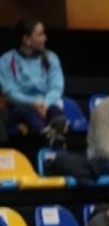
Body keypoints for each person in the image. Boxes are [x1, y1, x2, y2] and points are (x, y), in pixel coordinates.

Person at [0, 18, 67, 147]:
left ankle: (57, 135)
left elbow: (56, 87)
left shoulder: (51, 58)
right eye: (40, 34)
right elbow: (10, 92)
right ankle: (47, 136)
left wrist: (45, 103)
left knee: (55, 112)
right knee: (27, 111)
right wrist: (33, 103)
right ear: (27, 40)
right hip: (19, 108)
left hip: (46, 105)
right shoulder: (5, 61)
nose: (45, 38)